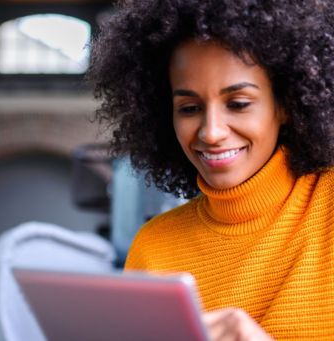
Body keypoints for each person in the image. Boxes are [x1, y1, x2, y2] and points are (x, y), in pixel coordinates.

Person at [88, 0, 334, 339]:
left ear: (286, 104)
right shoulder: (154, 248)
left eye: (238, 104)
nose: (211, 132)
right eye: (189, 108)